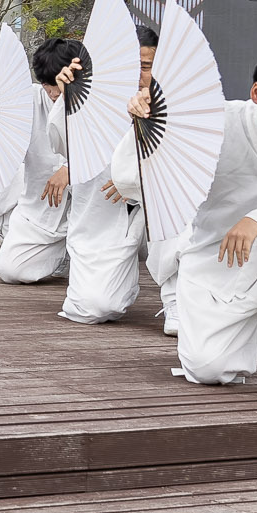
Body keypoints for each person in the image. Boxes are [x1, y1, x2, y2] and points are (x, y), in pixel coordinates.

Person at [111, 46, 257, 401]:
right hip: (219, 260)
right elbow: (130, 181)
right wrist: (146, 126)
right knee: (209, 368)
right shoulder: (213, 122)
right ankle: (240, 331)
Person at [59, 22, 161, 326]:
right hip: (108, 219)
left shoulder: (177, 106)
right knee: (96, 306)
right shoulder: (91, 102)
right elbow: (60, 142)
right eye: (130, 66)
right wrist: (69, 98)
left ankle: (177, 299)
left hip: (160, 218)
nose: (137, 75)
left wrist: (134, 180)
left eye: (145, 66)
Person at [0, 38, 87, 285]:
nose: (54, 93)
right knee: (10, 270)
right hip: (39, 212)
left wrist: (73, 167)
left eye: (59, 83)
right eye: (48, 86)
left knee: (99, 300)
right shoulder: (28, 100)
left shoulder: (99, 103)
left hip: (91, 215)